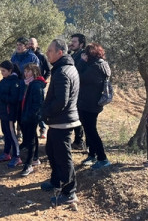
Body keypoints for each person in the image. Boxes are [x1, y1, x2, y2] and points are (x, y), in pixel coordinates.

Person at [41, 39, 80, 206]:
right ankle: (56, 182)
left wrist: (44, 112)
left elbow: (61, 102)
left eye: (50, 50)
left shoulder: (63, 72)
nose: (47, 53)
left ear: (60, 53)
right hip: (59, 121)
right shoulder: (65, 68)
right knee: (52, 151)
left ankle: (69, 192)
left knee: (64, 158)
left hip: (62, 121)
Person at [77, 42, 111, 170]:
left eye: (86, 52)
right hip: (92, 103)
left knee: (91, 131)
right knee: (89, 129)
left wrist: (81, 62)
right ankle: (92, 155)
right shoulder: (100, 64)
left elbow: (78, 76)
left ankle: (102, 158)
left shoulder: (95, 66)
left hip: (89, 104)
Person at [0, 60, 22, 168]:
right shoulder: (3, 81)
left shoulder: (15, 82)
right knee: (6, 133)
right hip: (2, 112)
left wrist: (0, 96)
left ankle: (17, 156)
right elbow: (0, 94)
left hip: (9, 113)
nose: (2, 73)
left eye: (4, 71)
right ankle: (6, 153)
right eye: (1, 71)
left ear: (10, 71)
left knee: (12, 134)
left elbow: (14, 99)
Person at [19, 63, 46, 177]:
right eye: (25, 71)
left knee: (30, 140)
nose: (26, 73)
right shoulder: (27, 84)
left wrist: (30, 115)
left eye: (28, 71)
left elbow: (38, 104)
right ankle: (34, 158)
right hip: (25, 115)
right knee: (31, 137)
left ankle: (28, 164)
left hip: (30, 116)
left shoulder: (36, 85)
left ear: (34, 72)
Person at [28, 37, 50, 140]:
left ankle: (43, 129)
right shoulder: (26, 56)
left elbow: (48, 70)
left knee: (39, 107)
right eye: (29, 43)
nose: (31, 45)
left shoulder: (42, 56)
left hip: (39, 85)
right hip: (27, 85)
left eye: (32, 43)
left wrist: (42, 81)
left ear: (37, 44)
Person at [68, 33, 86, 150]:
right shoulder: (75, 54)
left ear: (81, 44)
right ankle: (77, 141)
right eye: (72, 41)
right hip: (73, 89)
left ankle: (79, 141)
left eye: (74, 42)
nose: (72, 44)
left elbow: (76, 70)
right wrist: (68, 52)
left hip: (80, 92)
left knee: (79, 117)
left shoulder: (83, 55)